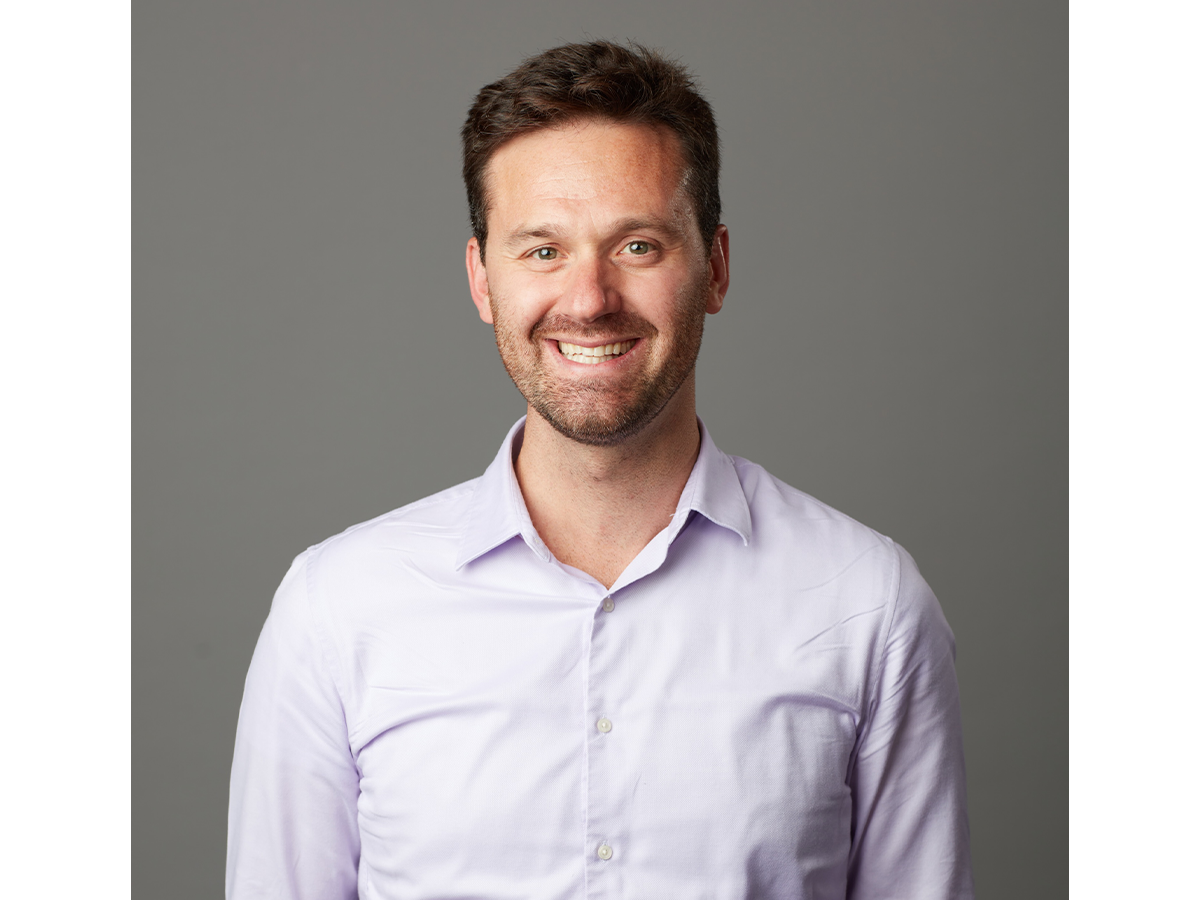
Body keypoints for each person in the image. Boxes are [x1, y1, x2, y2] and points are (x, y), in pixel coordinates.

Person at [226, 40, 974, 900]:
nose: (588, 299)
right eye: (542, 250)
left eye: (638, 246)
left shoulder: (867, 607)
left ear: (716, 267)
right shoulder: (337, 611)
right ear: (481, 280)